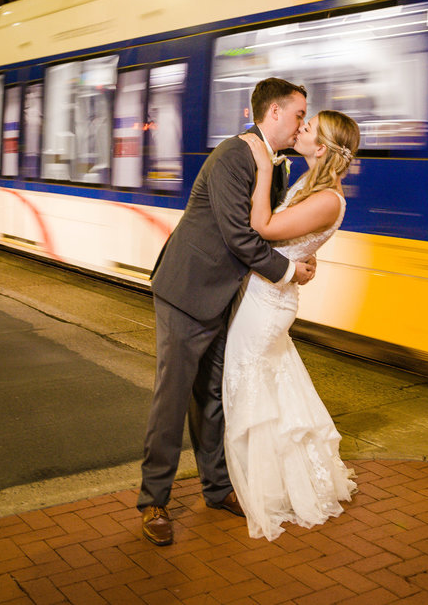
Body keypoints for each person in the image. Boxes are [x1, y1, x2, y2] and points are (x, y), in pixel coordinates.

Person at [138, 77, 316, 546]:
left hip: (225, 297)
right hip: (187, 291)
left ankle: (216, 489)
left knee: (212, 397)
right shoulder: (233, 156)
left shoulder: (271, 165)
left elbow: (269, 227)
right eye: (299, 114)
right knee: (173, 397)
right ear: (273, 113)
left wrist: (298, 251)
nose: (302, 123)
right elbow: (242, 238)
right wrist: (289, 271)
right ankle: (153, 499)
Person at [225, 110, 361, 541]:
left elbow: (263, 226)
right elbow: (291, 238)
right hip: (266, 293)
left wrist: (264, 166)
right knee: (271, 388)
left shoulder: (327, 198)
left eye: (307, 128)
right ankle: (276, 479)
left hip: (268, 303)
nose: (299, 130)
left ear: (321, 148)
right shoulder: (312, 186)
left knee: (249, 386)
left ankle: (267, 487)